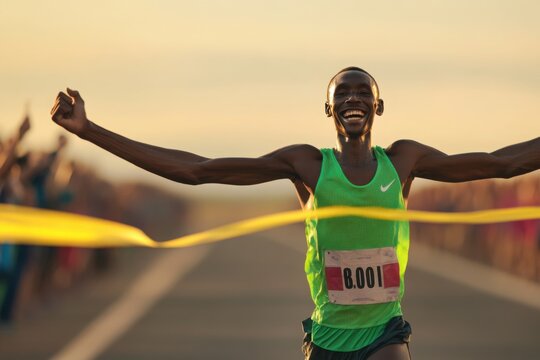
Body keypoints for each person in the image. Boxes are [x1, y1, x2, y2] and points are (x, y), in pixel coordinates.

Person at [50, 67, 540, 360]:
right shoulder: (306, 164)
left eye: (362, 92)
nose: (352, 98)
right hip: (327, 335)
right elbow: (198, 170)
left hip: (387, 329)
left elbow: (502, 163)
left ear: (379, 106)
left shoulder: (404, 161)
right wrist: (91, 131)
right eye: (342, 93)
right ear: (328, 108)